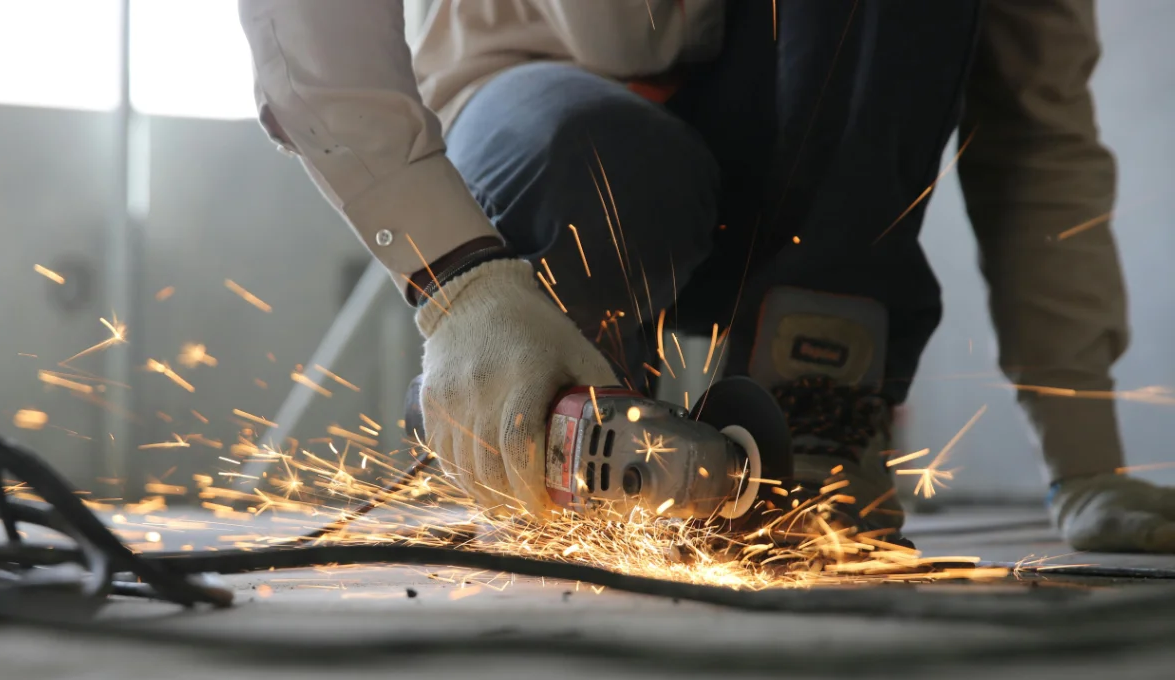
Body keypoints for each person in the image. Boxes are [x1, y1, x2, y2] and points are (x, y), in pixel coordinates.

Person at [239, 0, 1175, 552]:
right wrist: (459, 285)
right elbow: (311, 29)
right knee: (598, 157)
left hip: (811, 189)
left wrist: (1086, 460)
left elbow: (1038, 133)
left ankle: (815, 403)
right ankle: (555, 416)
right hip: (548, 129)